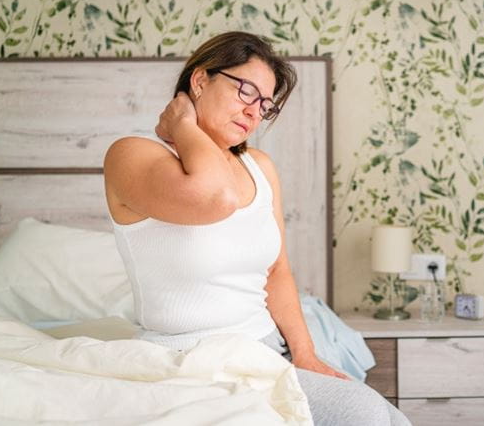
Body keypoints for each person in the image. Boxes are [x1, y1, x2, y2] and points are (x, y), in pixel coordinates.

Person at [103, 31, 411, 426]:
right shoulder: (132, 154)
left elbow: (277, 271)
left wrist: (305, 355)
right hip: (192, 358)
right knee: (365, 416)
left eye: (265, 104)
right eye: (246, 91)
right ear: (200, 80)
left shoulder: (260, 167)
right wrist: (184, 125)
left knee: (390, 416)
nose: (254, 112)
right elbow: (216, 198)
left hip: (266, 349)